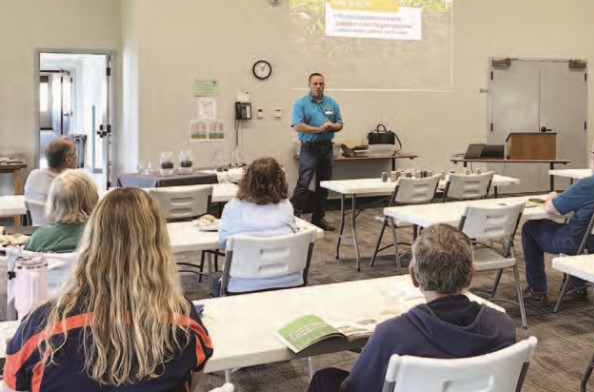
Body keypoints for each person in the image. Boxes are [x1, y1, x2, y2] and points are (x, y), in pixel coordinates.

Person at [3, 188, 213, 391]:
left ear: (91, 242)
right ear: (159, 248)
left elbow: (12, 386)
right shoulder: (186, 324)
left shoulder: (41, 327)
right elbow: (191, 382)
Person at [307, 224, 515, 392]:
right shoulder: (503, 326)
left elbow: (355, 388)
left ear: (414, 276)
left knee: (324, 378)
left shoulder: (391, 336)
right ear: (471, 274)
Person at [520, 135, 594, 304]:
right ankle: (576, 284)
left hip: (584, 244)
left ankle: (537, 290)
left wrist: (551, 196)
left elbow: (551, 208)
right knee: (574, 224)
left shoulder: (589, 184)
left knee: (530, 228)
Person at [214, 157, 301, 296]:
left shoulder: (233, 207)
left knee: (215, 282)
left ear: (246, 179)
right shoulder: (286, 207)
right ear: (281, 180)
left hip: (243, 285)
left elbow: (224, 242)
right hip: (289, 282)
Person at [290, 73, 342, 231]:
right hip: (309, 148)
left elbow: (340, 123)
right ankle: (293, 219)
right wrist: (319, 129)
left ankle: (318, 219)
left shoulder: (331, 103)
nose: (318, 86)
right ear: (309, 85)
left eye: (321, 83)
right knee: (303, 184)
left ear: (324, 85)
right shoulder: (301, 104)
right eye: (315, 84)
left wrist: (332, 126)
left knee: (324, 185)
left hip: (327, 147)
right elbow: (297, 126)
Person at [23, 170, 99, 253]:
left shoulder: (38, 239)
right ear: (93, 199)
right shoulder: (100, 238)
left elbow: (22, 262)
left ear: (53, 203)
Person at [24, 137, 77, 203]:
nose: (77, 156)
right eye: (75, 152)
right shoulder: (67, 185)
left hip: (35, 213)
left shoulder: (33, 175)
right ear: (68, 160)